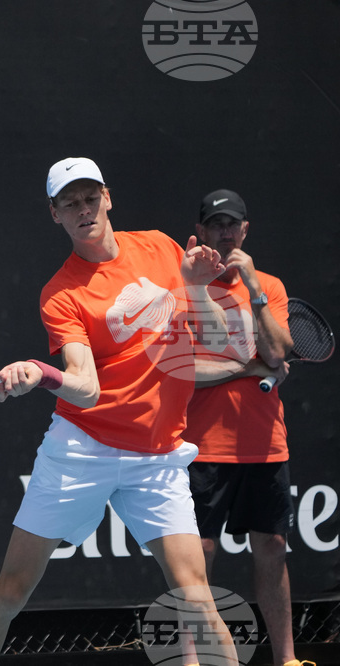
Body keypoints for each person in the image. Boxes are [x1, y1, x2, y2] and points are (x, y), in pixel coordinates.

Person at [0, 157, 239, 666]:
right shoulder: (61, 294)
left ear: (107, 197)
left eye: (90, 198)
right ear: (55, 215)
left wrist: (196, 287)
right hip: (82, 450)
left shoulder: (160, 246)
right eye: (70, 203)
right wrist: (43, 374)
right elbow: (85, 389)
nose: (83, 209)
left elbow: (220, 342)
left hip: (156, 456)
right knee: (11, 594)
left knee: (197, 596)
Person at [183, 190, 312, 666]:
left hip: (264, 445)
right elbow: (187, 369)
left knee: (274, 548)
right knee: (197, 555)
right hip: (203, 447)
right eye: (215, 224)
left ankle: (287, 660)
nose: (225, 233)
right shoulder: (188, 288)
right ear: (200, 232)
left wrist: (253, 283)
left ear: (245, 231)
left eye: (232, 225)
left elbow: (278, 354)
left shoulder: (269, 287)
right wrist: (249, 368)